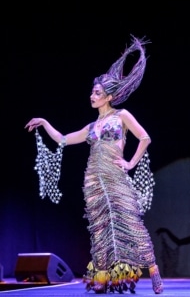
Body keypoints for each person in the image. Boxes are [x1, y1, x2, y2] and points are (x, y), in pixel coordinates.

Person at [25, 35, 163, 294]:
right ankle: (102, 277)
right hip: (92, 181)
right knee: (100, 229)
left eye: (97, 93)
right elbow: (63, 139)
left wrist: (131, 162)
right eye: (92, 92)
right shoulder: (91, 128)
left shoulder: (122, 115)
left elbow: (145, 137)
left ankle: (152, 269)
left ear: (108, 96)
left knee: (130, 224)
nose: (92, 95)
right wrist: (44, 123)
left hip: (116, 177)